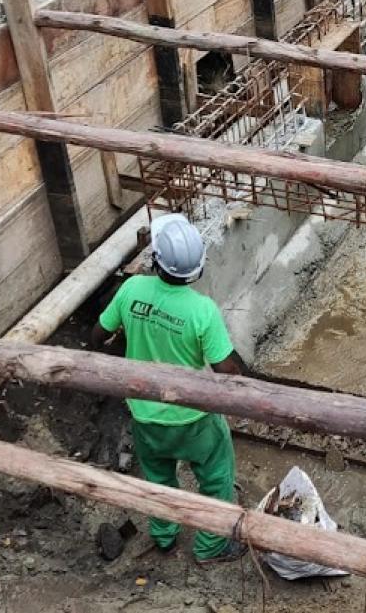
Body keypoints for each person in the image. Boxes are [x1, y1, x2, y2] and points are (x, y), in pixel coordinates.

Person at [93, 213, 248, 564]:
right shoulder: (202, 311)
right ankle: (211, 546)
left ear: (156, 260)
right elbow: (226, 368)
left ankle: (164, 537)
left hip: (145, 413)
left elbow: (98, 334)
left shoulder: (131, 290)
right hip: (194, 417)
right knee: (216, 478)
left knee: (159, 480)